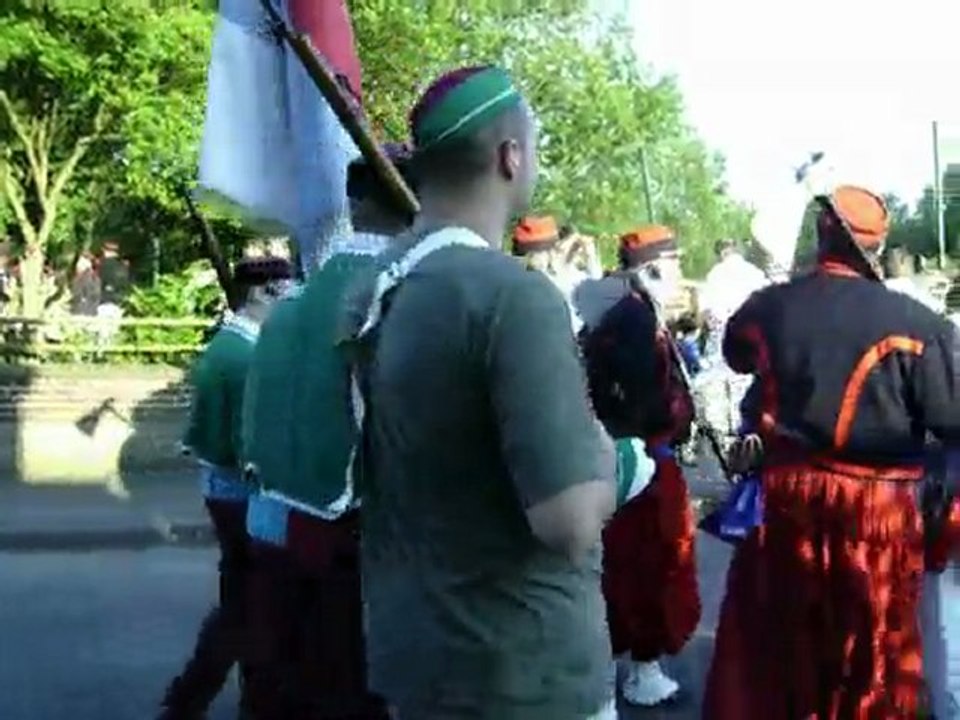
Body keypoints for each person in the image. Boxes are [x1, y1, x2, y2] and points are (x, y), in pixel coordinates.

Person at [338, 65, 617, 720]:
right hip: (522, 674)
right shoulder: (512, 295)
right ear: (510, 157)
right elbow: (568, 521)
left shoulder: (367, 289)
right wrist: (613, 460)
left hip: (416, 660)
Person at [704, 185, 960, 719]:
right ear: (877, 244)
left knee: (787, 640)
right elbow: (950, 418)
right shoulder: (917, 323)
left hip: (790, 497)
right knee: (869, 654)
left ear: (822, 235)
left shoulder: (769, 307)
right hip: (875, 509)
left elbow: (736, 354)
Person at [240, 143, 412, 720]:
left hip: (280, 515)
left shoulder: (290, 304)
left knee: (297, 681)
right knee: (352, 688)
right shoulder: (391, 293)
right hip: (352, 528)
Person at [157, 256, 292, 720]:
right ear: (260, 293)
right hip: (239, 492)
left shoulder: (230, 345)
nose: (288, 303)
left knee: (248, 602)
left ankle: (243, 698)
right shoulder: (244, 356)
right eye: (283, 293)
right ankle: (193, 699)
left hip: (222, 487)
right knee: (245, 606)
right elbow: (249, 441)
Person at [574, 226, 701, 707]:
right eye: (672, 263)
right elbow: (639, 398)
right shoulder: (632, 318)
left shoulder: (625, 311)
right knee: (649, 567)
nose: (679, 273)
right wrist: (673, 419)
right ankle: (635, 672)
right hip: (641, 460)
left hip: (629, 456)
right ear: (651, 267)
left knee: (629, 568)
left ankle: (621, 670)